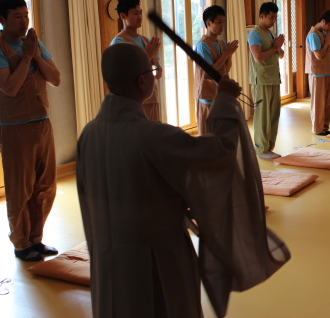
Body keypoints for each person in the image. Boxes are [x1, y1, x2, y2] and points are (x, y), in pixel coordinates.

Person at [77, 43, 290, 318]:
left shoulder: (88, 134)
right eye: (153, 71)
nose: (154, 76)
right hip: (156, 254)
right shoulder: (151, 135)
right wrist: (225, 101)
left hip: (107, 257)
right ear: (142, 81)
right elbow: (220, 153)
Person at [0, 0, 61, 261]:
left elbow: (56, 79)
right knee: (20, 190)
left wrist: (36, 54)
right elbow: (10, 88)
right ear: (1, 19)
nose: (24, 21)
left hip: (43, 124)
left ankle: (36, 239)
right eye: (17, 16)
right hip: (15, 128)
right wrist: (27, 57)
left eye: (26, 15)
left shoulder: (33, 44)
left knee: (46, 186)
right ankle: (21, 243)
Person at [111, 0, 162, 121]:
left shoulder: (146, 41)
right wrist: (148, 55)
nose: (140, 17)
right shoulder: (119, 42)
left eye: (140, 13)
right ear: (123, 16)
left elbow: (158, 73)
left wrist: (153, 59)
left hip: (151, 98)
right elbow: (125, 75)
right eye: (135, 13)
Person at [193, 5, 239, 135]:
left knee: (221, 135)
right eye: (219, 22)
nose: (222, 25)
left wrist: (228, 55)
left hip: (220, 94)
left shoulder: (221, 43)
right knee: (208, 135)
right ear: (208, 23)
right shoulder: (202, 45)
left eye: (223, 22)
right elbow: (209, 71)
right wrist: (226, 55)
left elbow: (225, 69)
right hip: (207, 96)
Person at [248, 2, 285, 159]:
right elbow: (258, 57)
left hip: (274, 78)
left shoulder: (270, 33)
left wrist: (278, 47)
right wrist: (274, 47)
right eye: (271, 17)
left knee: (274, 115)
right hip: (261, 80)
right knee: (263, 115)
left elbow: (281, 55)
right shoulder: (254, 34)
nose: (274, 20)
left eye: (275, 17)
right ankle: (261, 149)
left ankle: (269, 147)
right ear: (261, 16)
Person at [305, 10, 330, 135]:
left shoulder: (324, 34)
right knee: (318, 103)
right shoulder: (313, 35)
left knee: (326, 103)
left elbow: (329, 52)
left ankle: (324, 127)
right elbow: (318, 55)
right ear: (323, 21)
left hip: (325, 71)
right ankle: (317, 129)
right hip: (316, 73)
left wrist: (328, 41)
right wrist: (327, 42)